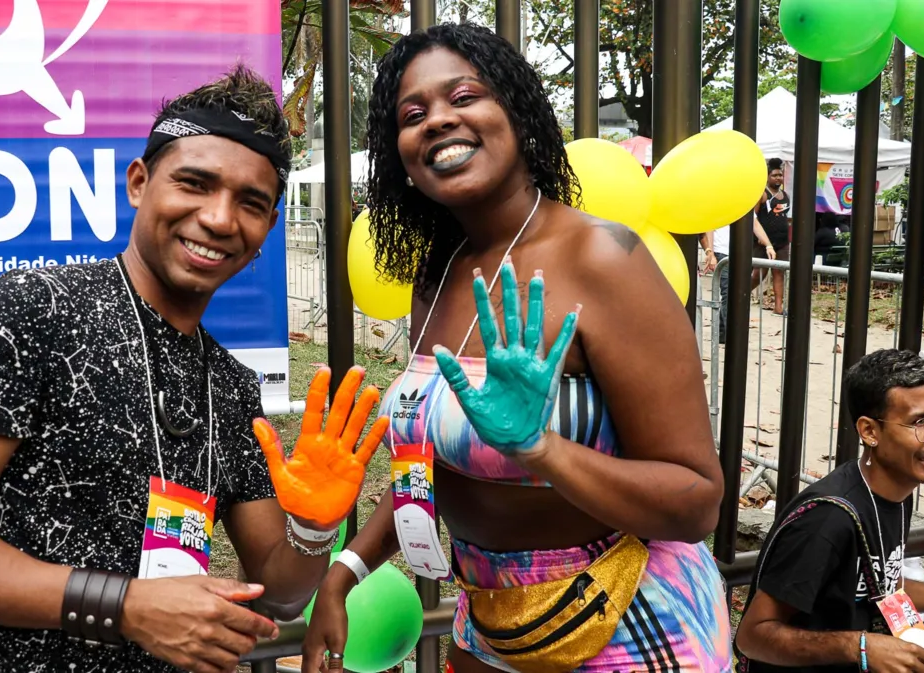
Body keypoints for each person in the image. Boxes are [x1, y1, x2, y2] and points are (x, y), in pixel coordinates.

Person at [0, 65, 389, 672]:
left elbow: (281, 593)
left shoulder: (231, 385)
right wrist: (125, 606)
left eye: (251, 203)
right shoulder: (35, 312)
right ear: (140, 182)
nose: (220, 219)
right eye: (195, 183)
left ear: (269, 227)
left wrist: (314, 527)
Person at [302, 23, 732, 673]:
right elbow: (434, 466)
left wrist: (542, 447)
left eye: (465, 95)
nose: (439, 120)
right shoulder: (437, 277)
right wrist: (347, 568)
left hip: (631, 619)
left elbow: (696, 500)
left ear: (518, 116)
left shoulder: (603, 259)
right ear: (402, 160)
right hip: (492, 621)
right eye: (413, 114)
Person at [735, 349, 924, 673]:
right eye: (921, 422)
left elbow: (880, 581)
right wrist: (860, 646)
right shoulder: (827, 521)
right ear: (870, 431)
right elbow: (752, 636)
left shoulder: (896, 491)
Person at [700, 214, 775, 344]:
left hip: (741, 252)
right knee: (728, 293)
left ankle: (723, 333)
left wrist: (768, 245)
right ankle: (731, 333)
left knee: (736, 293)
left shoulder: (745, 202)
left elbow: (755, 223)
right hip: (722, 251)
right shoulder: (720, 202)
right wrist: (710, 252)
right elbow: (710, 226)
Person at [751, 158, 790, 315]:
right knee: (759, 273)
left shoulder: (785, 195)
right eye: (774, 175)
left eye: (780, 175)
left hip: (782, 241)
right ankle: (740, 295)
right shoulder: (762, 194)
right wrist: (761, 237)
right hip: (763, 242)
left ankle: (779, 307)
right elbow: (753, 217)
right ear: (767, 177)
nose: (778, 178)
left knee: (779, 272)